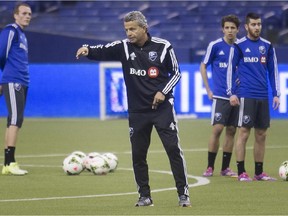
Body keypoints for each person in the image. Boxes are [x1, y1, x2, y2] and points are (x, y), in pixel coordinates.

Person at [76, 11, 191, 207]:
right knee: (138, 155)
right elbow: (102, 49)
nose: (129, 33)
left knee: (172, 149)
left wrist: (163, 91)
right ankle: (144, 196)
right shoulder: (123, 47)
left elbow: (177, 73)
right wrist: (87, 49)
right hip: (138, 111)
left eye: (133, 29)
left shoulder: (163, 47)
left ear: (144, 28)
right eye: (126, 29)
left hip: (162, 109)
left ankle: (183, 194)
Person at [227, 12, 281, 181]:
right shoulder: (239, 45)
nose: (257, 27)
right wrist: (231, 93)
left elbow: (273, 71)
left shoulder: (267, 46)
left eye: (259, 24)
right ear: (246, 27)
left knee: (261, 134)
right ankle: (241, 171)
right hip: (245, 94)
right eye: (253, 25)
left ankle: (259, 172)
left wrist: (276, 94)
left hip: (263, 95)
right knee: (243, 132)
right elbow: (230, 68)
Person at [200, 15, 240, 178]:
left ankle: (225, 168)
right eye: (227, 28)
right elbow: (203, 66)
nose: (230, 31)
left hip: (237, 96)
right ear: (223, 29)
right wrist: (208, 89)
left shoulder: (241, 47)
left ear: (238, 29)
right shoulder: (215, 46)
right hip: (220, 96)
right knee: (217, 129)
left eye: (233, 28)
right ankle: (210, 166)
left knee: (231, 130)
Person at [0, 3, 32, 175]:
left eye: (29, 14)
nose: (27, 16)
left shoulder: (22, 35)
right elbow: (1, 53)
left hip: (21, 81)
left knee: (15, 120)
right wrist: (3, 79)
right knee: (15, 119)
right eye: (24, 13)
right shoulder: (11, 30)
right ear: (15, 15)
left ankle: (8, 164)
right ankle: (9, 163)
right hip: (13, 80)